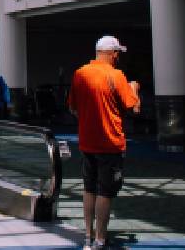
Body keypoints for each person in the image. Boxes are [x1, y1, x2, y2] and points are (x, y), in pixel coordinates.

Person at [67, 36, 141, 250]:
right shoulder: (116, 75)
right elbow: (133, 107)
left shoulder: (80, 73)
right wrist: (134, 88)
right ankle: (100, 239)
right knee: (105, 192)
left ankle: (88, 237)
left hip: (87, 142)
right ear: (111, 53)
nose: (118, 57)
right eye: (117, 53)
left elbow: (72, 107)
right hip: (110, 144)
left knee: (88, 188)